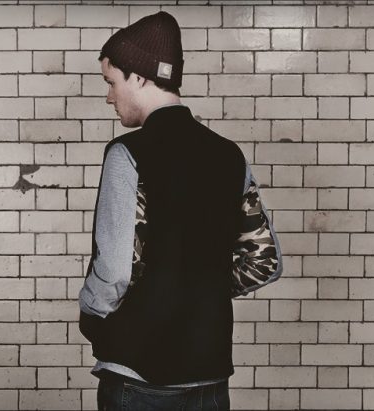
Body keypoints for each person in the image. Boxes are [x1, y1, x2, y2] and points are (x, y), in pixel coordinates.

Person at [78, 11, 283, 411]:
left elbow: (115, 272)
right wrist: (199, 292)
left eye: (111, 82)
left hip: (139, 375)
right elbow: (265, 261)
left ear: (139, 78)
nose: (109, 97)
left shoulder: (127, 154)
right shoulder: (229, 155)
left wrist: (91, 312)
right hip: (210, 375)